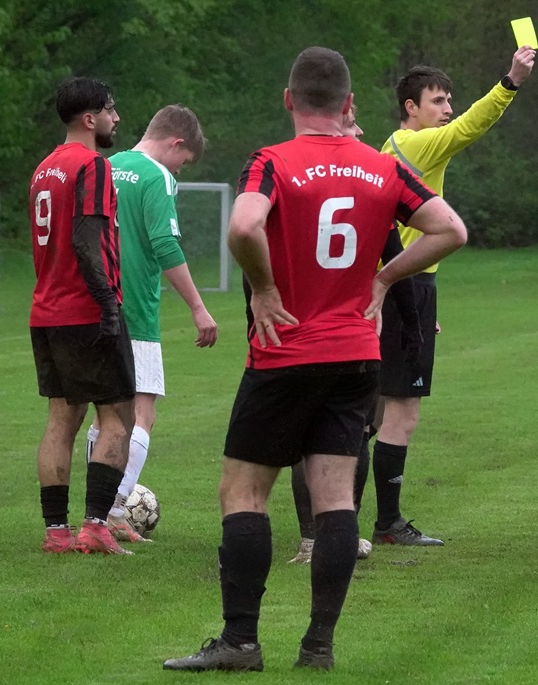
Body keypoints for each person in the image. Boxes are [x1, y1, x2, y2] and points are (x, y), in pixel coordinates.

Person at [163, 46, 467, 673]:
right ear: (349, 104)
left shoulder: (271, 162)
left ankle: (241, 642)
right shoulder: (383, 167)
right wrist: (383, 279)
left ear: (289, 100)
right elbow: (451, 231)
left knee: (244, 491)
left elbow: (243, 228)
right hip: (356, 355)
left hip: (285, 353)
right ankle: (318, 646)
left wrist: (264, 289)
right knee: (335, 500)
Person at [370, 45, 536, 546]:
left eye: (448, 100)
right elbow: (470, 128)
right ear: (411, 108)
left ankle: (337, 520)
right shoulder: (417, 145)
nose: (447, 109)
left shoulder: (390, 146)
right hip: (405, 281)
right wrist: (510, 82)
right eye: (438, 101)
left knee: (371, 410)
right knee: (400, 413)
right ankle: (386, 523)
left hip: (397, 284)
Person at [285, 104, 423, 564]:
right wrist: (412, 323)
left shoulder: (291, 176)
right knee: (354, 430)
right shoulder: (371, 183)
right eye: (353, 122)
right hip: (352, 326)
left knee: (305, 433)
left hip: (298, 324)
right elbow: (397, 255)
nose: (361, 131)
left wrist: (256, 308)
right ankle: (339, 535)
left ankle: (312, 540)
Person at [84, 104, 219, 543]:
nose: (180, 169)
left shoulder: (106, 167)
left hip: (93, 307)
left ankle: (96, 512)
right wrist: (198, 307)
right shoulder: (157, 176)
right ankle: (112, 510)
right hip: (135, 311)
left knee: (105, 413)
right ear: (176, 143)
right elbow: (164, 243)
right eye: (184, 161)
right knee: (142, 412)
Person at [29, 77, 135, 555]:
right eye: (111, 110)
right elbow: (86, 239)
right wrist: (108, 305)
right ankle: (94, 526)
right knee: (118, 417)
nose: (117, 118)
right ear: (90, 119)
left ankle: (56, 532)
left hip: (46, 311)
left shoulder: (44, 168)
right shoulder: (93, 165)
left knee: (61, 420)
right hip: (87, 308)